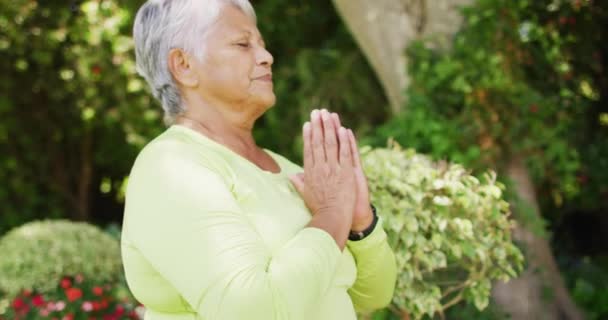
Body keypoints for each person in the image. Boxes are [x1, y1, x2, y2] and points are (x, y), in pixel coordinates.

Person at [120, 0, 397, 319]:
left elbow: (372, 296)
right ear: (184, 65)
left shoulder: (292, 174)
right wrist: (334, 213)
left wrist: (361, 225)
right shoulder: (169, 168)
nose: (267, 57)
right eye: (242, 44)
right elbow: (252, 311)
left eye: (262, 46)